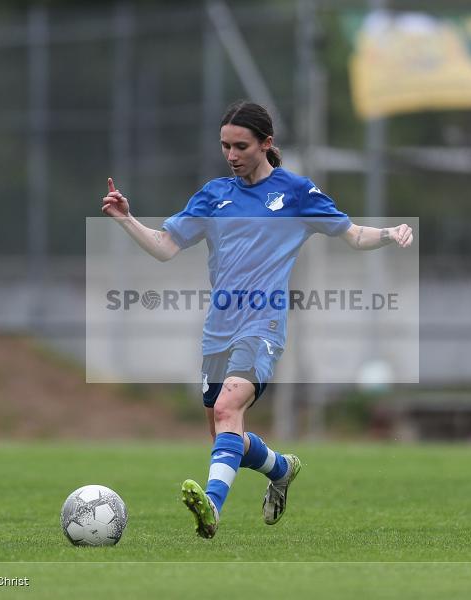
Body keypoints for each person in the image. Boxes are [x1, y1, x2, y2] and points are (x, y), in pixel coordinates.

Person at [101, 100, 413, 539]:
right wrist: (126, 219)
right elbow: (165, 246)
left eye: (241, 146)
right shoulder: (214, 195)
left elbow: (352, 234)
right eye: (225, 146)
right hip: (218, 329)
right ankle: (281, 469)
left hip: (263, 324)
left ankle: (211, 507)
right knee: (225, 434)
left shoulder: (297, 193)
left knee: (229, 408)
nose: (231, 155)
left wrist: (389, 233)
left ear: (266, 144)